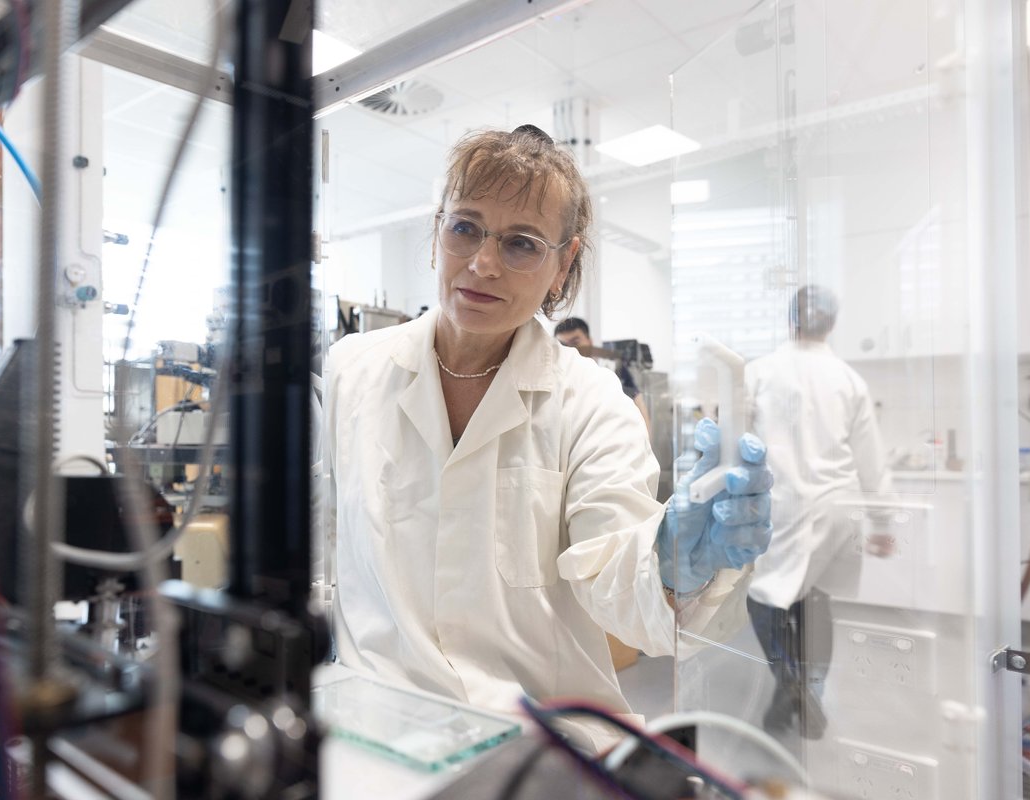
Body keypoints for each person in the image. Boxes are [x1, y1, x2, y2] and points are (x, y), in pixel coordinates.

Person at [323, 124, 774, 752]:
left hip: (536, 745)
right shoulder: (354, 369)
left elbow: (619, 576)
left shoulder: (590, 403)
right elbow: (328, 540)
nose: (483, 262)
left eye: (522, 244)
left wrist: (672, 566)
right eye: (465, 227)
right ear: (436, 233)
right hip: (378, 730)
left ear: (564, 264)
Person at [744, 285, 891, 739]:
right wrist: (883, 521)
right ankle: (802, 690)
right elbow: (872, 457)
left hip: (784, 505)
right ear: (833, 324)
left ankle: (792, 687)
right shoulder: (848, 379)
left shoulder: (760, 372)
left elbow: (738, 443)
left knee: (763, 597)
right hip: (838, 507)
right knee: (817, 601)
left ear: (791, 320)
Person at [554, 317, 651, 435]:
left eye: (575, 343)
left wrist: (646, 445)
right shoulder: (554, 379)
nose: (570, 350)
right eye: (563, 345)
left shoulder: (612, 367)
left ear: (590, 341)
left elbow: (638, 401)